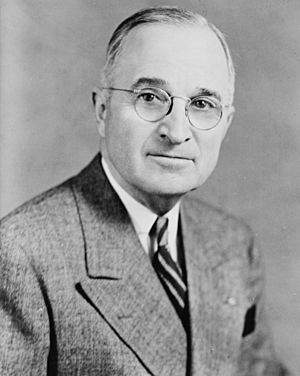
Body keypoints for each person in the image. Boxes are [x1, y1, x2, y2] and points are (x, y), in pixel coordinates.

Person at [0, 6, 292, 376]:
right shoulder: (21, 253)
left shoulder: (232, 244)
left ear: (226, 124)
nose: (177, 131)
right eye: (151, 97)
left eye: (202, 105)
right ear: (103, 110)